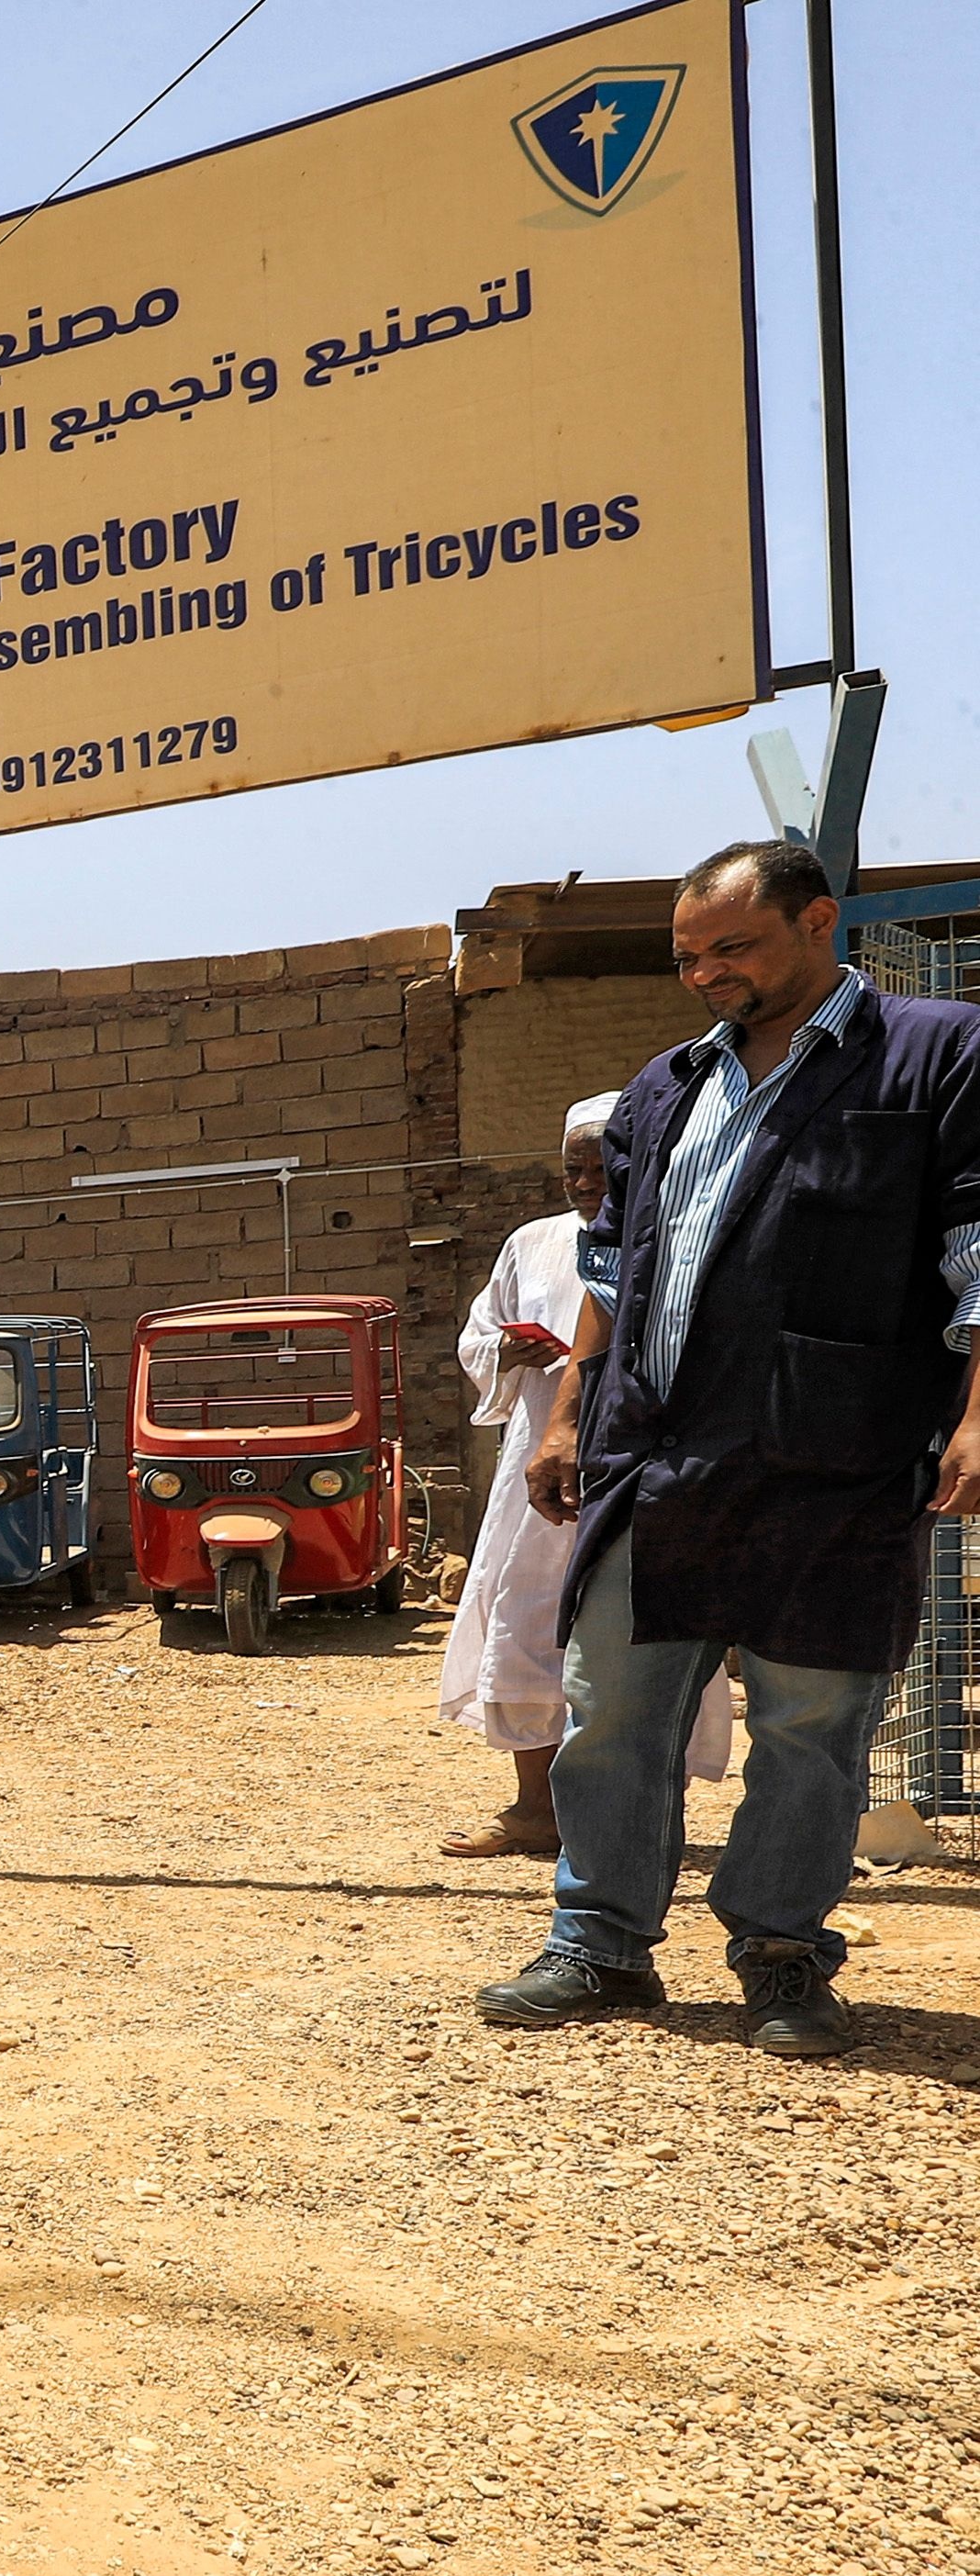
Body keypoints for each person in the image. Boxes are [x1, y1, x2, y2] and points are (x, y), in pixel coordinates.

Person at [476, 840, 980, 2054]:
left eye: (733, 948)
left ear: (819, 922)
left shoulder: (934, 1052)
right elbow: (607, 1265)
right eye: (688, 955)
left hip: (836, 1456)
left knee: (813, 1723)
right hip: (657, 1457)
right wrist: (561, 1415)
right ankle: (598, 1943)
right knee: (613, 1712)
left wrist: (975, 1415)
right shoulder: (662, 1088)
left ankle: (784, 1952)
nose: (706, 974)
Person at [436, 1093, 730, 1856]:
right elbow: (477, 1336)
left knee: (645, 1636)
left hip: (647, 1466)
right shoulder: (532, 1243)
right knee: (528, 1624)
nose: (585, 1184)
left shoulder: (683, 1236)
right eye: (573, 1170)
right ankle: (537, 1808)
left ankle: (639, 1819)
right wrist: (508, 1353)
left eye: (602, 1169)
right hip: (541, 1464)